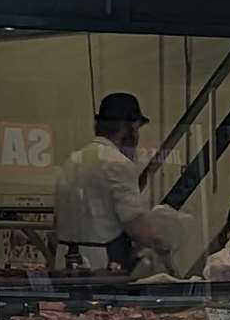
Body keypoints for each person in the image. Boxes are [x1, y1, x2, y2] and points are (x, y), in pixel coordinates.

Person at [53, 92, 165, 273]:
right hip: (100, 265)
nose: (137, 138)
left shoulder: (72, 160)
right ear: (127, 128)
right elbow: (136, 225)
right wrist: (161, 244)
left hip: (63, 260)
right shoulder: (117, 163)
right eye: (136, 129)